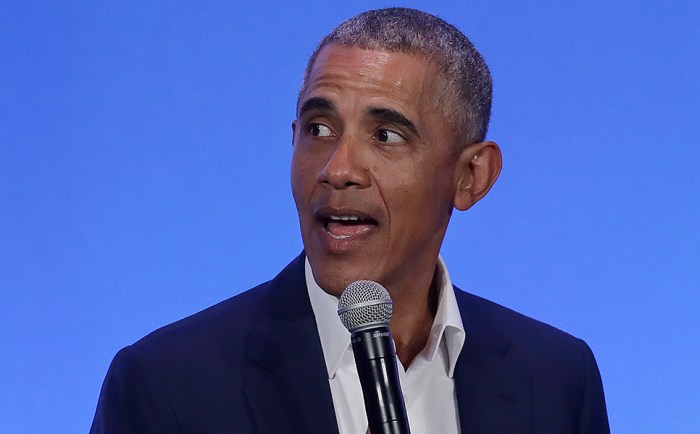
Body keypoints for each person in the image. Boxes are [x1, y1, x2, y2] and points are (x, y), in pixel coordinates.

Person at [91, 7, 609, 433]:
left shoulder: (557, 379)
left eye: (386, 136)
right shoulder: (166, 385)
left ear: (471, 176)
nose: (337, 169)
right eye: (318, 129)